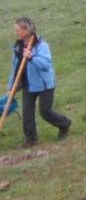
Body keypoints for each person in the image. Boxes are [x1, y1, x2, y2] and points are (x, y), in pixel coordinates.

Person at [7, 18, 71, 147]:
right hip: (28, 84)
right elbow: (15, 68)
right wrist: (11, 87)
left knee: (45, 112)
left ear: (26, 30)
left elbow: (46, 65)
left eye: (18, 30)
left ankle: (64, 124)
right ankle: (31, 139)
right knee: (27, 114)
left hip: (44, 85)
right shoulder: (18, 47)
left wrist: (31, 57)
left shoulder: (41, 45)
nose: (16, 33)